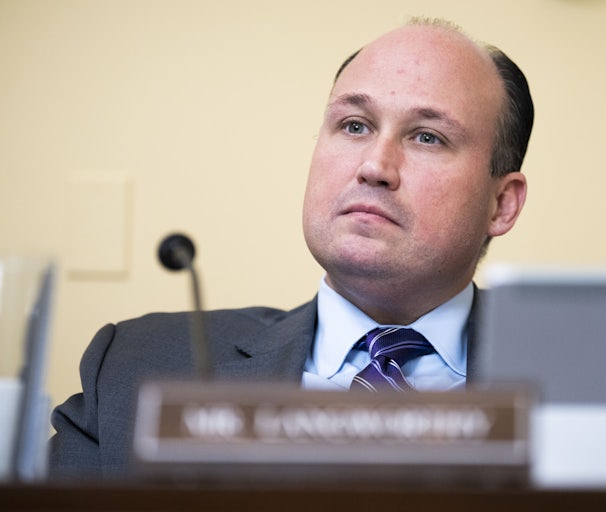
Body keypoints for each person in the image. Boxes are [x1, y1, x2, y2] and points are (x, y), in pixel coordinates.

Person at [48, 17, 533, 479]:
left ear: (502, 204)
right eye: (355, 125)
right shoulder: (137, 367)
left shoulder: (570, 385)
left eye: (428, 137)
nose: (374, 167)